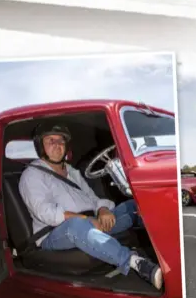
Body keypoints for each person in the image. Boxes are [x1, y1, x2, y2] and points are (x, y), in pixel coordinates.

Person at [19, 123, 163, 289]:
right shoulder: (32, 175)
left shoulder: (72, 172)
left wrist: (102, 210)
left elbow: (92, 198)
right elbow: (46, 213)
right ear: (40, 146)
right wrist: (86, 219)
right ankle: (136, 262)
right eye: (51, 141)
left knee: (134, 205)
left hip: (90, 222)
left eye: (61, 141)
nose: (57, 145)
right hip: (55, 233)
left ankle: (163, 245)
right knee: (76, 225)